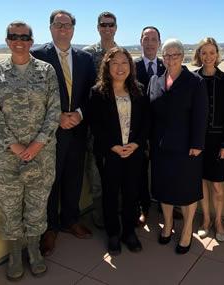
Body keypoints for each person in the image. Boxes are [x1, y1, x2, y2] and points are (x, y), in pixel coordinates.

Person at [0, 20, 61, 280]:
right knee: (10, 207)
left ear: (31, 41)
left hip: (42, 155)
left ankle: (34, 251)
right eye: (13, 36)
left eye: (24, 37)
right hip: (6, 158)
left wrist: (37, 143)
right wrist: (14, 146)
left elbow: (54, 110)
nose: (19, 41)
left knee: (37, 206)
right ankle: (16, 254)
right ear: (7, 40)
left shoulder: (46, 71)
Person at [30, 9, 97, 257]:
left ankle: (71, 220)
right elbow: (32, 97)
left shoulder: (85, 58)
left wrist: (79, 113)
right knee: (51, 179)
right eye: (58, 25)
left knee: (74, 176)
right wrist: (56, 117)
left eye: (67, 25)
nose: (63, 29)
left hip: (78, 128)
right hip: (49, 132)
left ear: (73, 29)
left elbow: (92, 94)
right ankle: (50, 229)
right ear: (50, 28)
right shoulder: (37, 55)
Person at [87, 47, 150, 255]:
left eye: (124, 63)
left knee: (131, 193)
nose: (120, 67)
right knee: (110, 194)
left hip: (133, 153)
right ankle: (113, 233)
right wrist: (112, 146)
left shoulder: (139, 90)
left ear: (130, 67)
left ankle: (129, 232)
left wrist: (136, 144)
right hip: (109, 153)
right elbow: (95, 124)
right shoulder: (98, 92)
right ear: (107, 66)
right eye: (115, 63)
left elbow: (145, 124)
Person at [148, 39, 208, 255]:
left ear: (183, 56)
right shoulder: (155, 80)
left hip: (187, 148)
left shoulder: (195, 82)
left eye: (175, 55)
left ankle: (187, 230)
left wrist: (197, 144)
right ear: (162, 58)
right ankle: (168, 224)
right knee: (164, 189)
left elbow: (201, 116)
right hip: (160, 147)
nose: (171, 59)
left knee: (187, 191)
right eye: (167, 55)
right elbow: (150, 114)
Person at [191, 37, 224, 242]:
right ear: (199, 55)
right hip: (198, 141)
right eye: (204, 52)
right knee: (201, 184)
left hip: (219, 142)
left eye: (212, 52)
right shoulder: (192, 79)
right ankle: (206, 220)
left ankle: (218, 221)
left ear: (217, 55)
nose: (208, 56)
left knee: (217, 185)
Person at [82, 11, 120, 229]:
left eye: (111, 25)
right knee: (96, 174)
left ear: (116, 27)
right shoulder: (88, 55)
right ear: (98, 27)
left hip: (118, 126)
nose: (107, 28)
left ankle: (117, 211)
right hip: (94, 127)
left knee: (117, 173)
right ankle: (100, 215)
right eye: (103, 25)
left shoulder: (121, 54)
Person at [133, 26, 169, 227]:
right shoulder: (132, 66)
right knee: (139, 172)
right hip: (138, 130)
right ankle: (143, 208)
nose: (149, 43)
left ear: (159, 42)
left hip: (162, 132)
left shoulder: (167, 66)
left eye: (153, 39)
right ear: (141, 42)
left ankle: (167, 206)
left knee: (163, 170)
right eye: (146, 39)